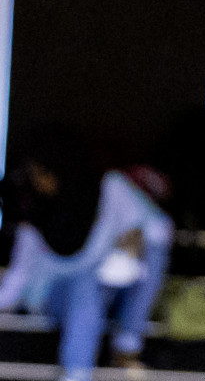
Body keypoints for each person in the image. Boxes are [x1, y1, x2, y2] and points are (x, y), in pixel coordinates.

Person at [0, 127, 172, 381]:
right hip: (61, 302)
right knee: (85, 285)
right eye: (34, 174)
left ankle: (128, 343)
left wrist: (128, 246)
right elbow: (18, 278)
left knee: (147, 252)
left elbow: (159, 233)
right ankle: (77, 375)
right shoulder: (35, 214)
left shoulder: (111, 191)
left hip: (116, 294)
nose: (39, 181)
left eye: (44, 172)